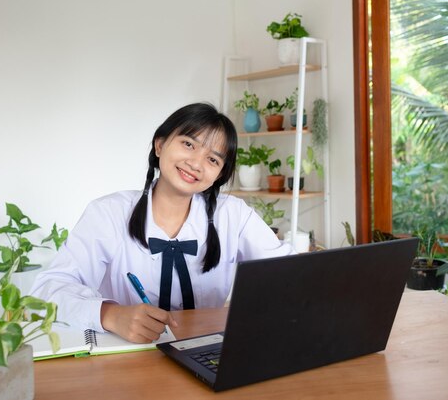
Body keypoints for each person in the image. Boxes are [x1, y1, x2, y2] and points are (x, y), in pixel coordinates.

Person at [30, 103, 294, 343]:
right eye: (188, 144)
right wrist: (110, 314)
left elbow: (290, 272)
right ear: (159, 145)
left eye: (213, 159)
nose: (195, 163)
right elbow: (47, 290)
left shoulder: (233, 215)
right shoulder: (108, 213)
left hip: (206, 352)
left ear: (219, 175)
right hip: (127, 356)